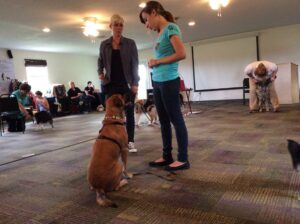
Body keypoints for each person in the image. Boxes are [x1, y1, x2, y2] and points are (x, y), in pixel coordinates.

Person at [139, 1, 189, 171]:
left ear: (154, 13)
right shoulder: (160, 33)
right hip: (158, 81)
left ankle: (183, 159)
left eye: (146, 20)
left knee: (176, 119)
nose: (147, 25)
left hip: (169, 80)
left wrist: (157, 61)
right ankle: (167, 155)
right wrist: (154, 64)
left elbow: (181, 53)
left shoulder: (171, 28)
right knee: (164, 121)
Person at [97, 14, 139, 153]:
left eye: (121, 25)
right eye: (116, 24)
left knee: (129, 112)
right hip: (110, 84)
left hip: (126, 84)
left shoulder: (130, 43)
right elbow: (100, 61)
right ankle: (112, 139)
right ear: (110, 26)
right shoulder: (104, 44)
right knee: (112, 113)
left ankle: (130, 141)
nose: (119, 28)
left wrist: (135, 82)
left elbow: (135, 64)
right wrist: (100, 73)